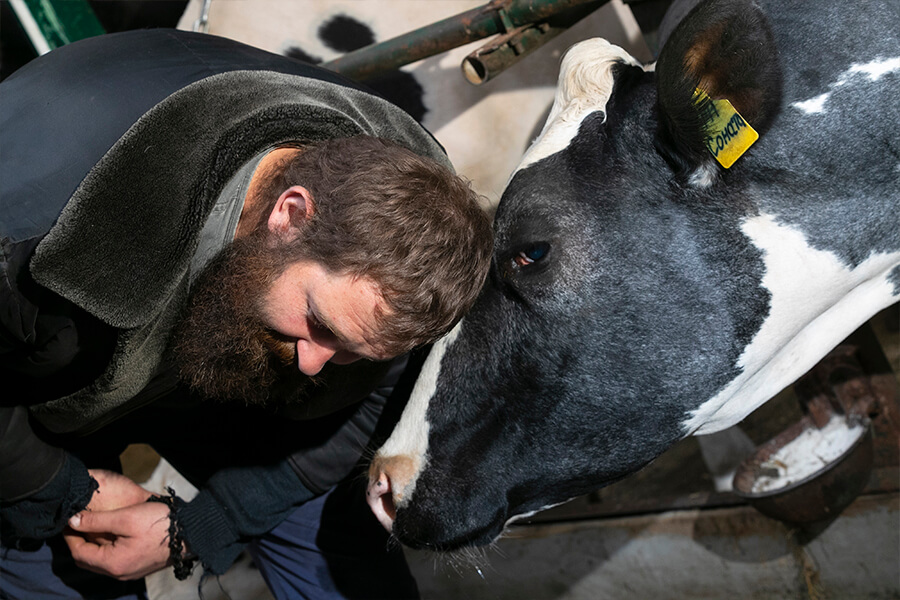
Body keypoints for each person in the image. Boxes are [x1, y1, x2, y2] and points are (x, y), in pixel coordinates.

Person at [0, 28, 493, 599]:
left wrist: (203, 524)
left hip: (200, 376)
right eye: (321, 325)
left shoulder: (397, 259)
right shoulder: (32, 232)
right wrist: (59, 489)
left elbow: (372, 397)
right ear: (290, 215)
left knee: (349, 568)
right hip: (31, 382)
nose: (315, 366)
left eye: (351, 351)